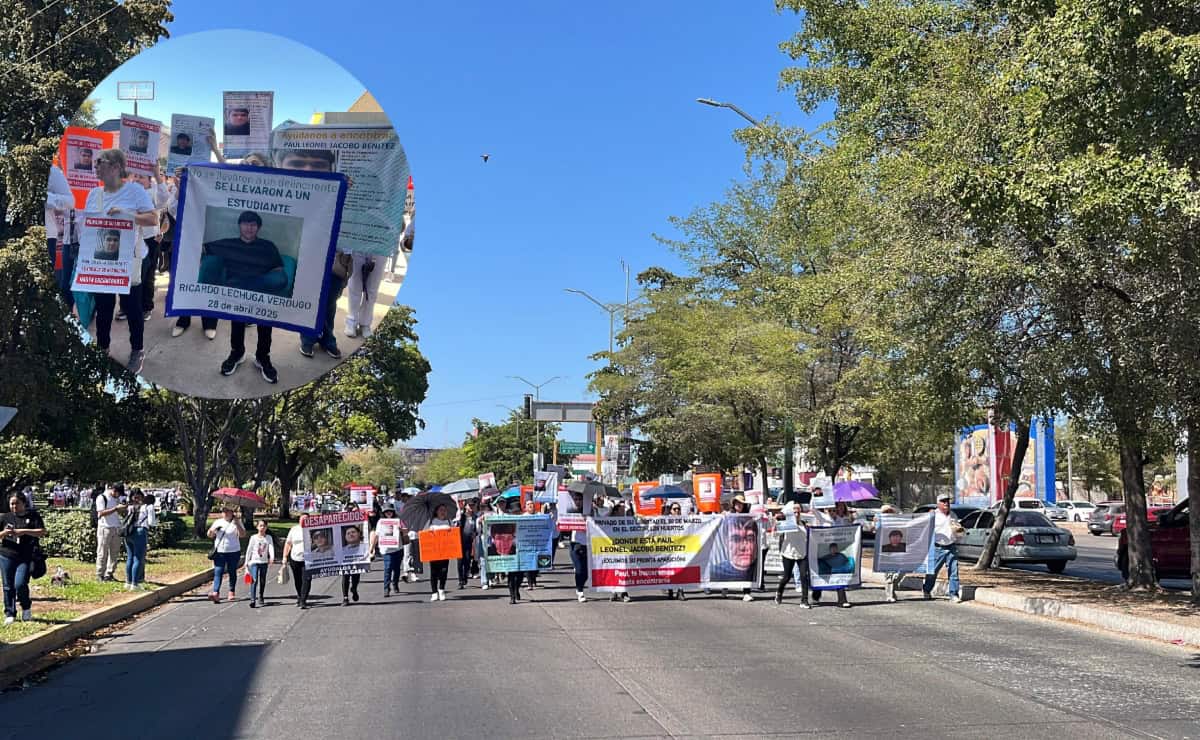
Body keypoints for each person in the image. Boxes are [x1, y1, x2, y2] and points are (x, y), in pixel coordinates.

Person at [86, 149, 158, 373]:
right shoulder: (94, 194)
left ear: (116, 167)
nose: (95, 166)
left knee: (132, 307)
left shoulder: (134, 191)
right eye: (95, 162)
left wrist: (128, 215)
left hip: (129, 260)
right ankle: (103, 348)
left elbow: (153, 218)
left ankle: (137, 350)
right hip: (102, 260)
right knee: (104, 308)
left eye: (100, 162)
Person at [277, 148, 347, 361]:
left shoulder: (343, 193)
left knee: (329, 302)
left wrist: (345, 194)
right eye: (297, 164)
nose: (308, 170)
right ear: (280, 167)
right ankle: (308, 339)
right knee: (308, 301)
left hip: (333, 262)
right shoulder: (274, 193)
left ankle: (327, 339)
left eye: (318, 165)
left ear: (331, 169)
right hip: (299, 260)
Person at [205, 210, 286, 384]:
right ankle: (237, 353)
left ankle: (263, 357)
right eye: (245, 224)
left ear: (258, 227)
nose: (249, 228)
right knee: (237, 318)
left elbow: (278, 270)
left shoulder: (267, 246)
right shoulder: (228, 244)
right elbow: (201, 247)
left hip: (260, 293)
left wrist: (259, 283)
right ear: (239, 226)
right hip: (237, 295)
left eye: (253, 225)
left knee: (265, 320)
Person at [1, 493, 46, 624]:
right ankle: (10, 613)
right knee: (8, 585)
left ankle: (26, 607)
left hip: (25, 556)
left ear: (24, 503)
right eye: (12, 504)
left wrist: (24, 531)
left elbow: (42, 531)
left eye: (17, 503)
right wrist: (4, 533)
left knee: (20, 584)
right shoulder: (5, 517)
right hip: (6, 554)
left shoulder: (33, 516)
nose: (14, 506)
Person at [923, 493, 964, 603]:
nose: (946, 503)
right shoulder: (933, 515)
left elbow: (957, 530)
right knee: (932, 572)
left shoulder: (953, 515)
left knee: (954, 572)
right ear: (938, 503)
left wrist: (958, 531)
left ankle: (953, 594)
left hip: (951, 547)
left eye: (947, 501)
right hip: (937, 547)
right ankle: (927, 590)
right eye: (943, 501)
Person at [774, 502, 812, 607]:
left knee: (804, 576)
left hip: (801, 554)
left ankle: (804, 600)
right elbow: (777, 525)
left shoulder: (803, 524)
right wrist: (778, 518)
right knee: (786, 577)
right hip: (788, 553)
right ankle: (779, 592)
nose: (796, 514)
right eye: (794, 511)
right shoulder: (786, 523)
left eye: (798, 511)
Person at [207, 507, 245, 602]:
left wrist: (237, 524)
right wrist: (212, 531)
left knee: (232, 571)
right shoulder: (218, 522)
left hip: (233, 551)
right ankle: (216, 593)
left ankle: (231, 591)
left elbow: (242, 535)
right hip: (220, 551)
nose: (225, 513)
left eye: (227, 511)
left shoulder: (237, 522)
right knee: (218, 571)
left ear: (232, 512)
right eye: (223, 511)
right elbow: (210, 535)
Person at [123, 488, 156, 590]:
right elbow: (151, 522)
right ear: (142, 496)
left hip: (129, 532)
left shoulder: (130, 506)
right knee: (138, 558)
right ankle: (135, 584)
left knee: (130, 557)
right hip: (140, 531)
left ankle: (128, 582)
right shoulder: (148, 507)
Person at [94, 483, 126, 581]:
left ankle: (109, 573)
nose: (119, 496)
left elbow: (120, 513)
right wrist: (116, 508)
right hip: (105, 528)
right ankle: (100, 574)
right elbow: (101, 513)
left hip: (116, 527)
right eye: (118, 493)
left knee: (114, 553)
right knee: (102, 552)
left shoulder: (117, 499)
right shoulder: (102, 498)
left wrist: (122, 509)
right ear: (114, 490)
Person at [370, 508, 406, 597]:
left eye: (390, 511)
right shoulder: (380, 522)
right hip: (386, 550)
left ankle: (395, 583)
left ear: (393, 512)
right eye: (386, 511)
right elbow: (376, 535)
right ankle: (386, 588)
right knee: (388, 568)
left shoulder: (398, 520)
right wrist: (372, 547)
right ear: (384, 513)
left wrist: (401, 530)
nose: (388, 513)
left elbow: (406, 531)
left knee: (397, 569)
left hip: (398, 549)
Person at [281, 516, 311, 608]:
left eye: (306, 519)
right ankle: (299, 595)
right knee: (298, 579)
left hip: (308, 559)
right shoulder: (294, 529)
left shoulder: (312, 529)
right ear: (299, 520)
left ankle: (303, 600)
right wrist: (284, 557)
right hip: (295, 558)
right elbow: (288, 543)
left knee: (307, 579)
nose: (303, 521)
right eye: (302, 519)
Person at [244, 519, 274, 609]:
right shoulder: (253, 537)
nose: (262, 527)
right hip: (254, 562)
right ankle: (252, 599)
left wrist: (272, 557)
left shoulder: (268, 538)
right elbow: (249, 550)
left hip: (264, 562)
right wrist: (246, 561)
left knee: (262, 580)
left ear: (266, 527)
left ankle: (261, 596)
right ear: (257, 527)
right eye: (260, 526)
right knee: (254, 579)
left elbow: (271, 547)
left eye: (264, 526)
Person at [425, 504, 453, 602]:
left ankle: (441, 589)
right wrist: (430, 532)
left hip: (445, 550)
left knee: (444, 571)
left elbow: (454, 534)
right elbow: (425, 534)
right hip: (434, 551)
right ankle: (434, 592)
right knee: (434, 572)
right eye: (440, 510)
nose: (443, 512)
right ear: (436, 511)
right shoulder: (431, 522)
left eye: (444, 510)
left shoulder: (449, 521)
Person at [340, 504, 364, 606]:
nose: (352, 513)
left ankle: (354, 588)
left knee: (356, 574)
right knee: (345, 575)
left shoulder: (361, 522)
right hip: (345, 554)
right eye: (350, 511)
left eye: (354, 512)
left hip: (358, 553)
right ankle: (345, 597)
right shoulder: (343, 523)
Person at [455, 500, 478, 589]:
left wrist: (475, 533)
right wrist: (458, 521)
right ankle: (460, 580)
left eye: (473, 505)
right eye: (469, 505)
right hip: (460, 541)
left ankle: (465, 576)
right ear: (466, 507)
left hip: (470, 542)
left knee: (467, 560)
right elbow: (457, 526)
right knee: (460, 562)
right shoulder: (461, 516)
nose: (471, 507)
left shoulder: (475, 517)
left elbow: (477, 529)